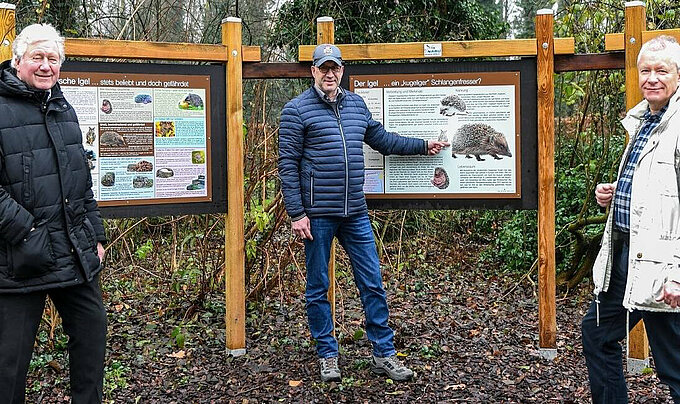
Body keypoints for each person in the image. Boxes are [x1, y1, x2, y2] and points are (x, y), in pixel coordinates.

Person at [278, 44, 449, 382]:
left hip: (354, 211)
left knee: (372, 282)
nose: (330, 74)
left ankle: (383, 353)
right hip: (317, 214)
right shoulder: (296, 110)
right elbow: (287, 165)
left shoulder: (356, 105)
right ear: (313, 71)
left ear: (342, 71)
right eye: (323, 68)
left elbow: (382, 140)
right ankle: (327, 354)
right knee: (318, 286)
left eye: (335, 68)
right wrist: (297, 213)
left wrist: (422, 145)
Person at [0, 24, 107, 403]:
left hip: (73, 251)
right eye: (37, 57)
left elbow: (81, 178)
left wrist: (95, 233)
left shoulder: (64, 108)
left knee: (92, 340)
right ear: (17, 61)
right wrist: (27, 233)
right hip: (17, 259)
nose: (46, 66)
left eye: (53, 59)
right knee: (9, 365)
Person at [582, 35, 680, 404]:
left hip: (664, 268)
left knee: (674, 365)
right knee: (597, 334)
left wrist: (677, 274)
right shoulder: (644, 120)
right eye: (646, 70)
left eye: (662, 70)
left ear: (679, 76)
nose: (652, 78)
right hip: (628, 257)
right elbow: (659, 190)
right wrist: (616, 192)